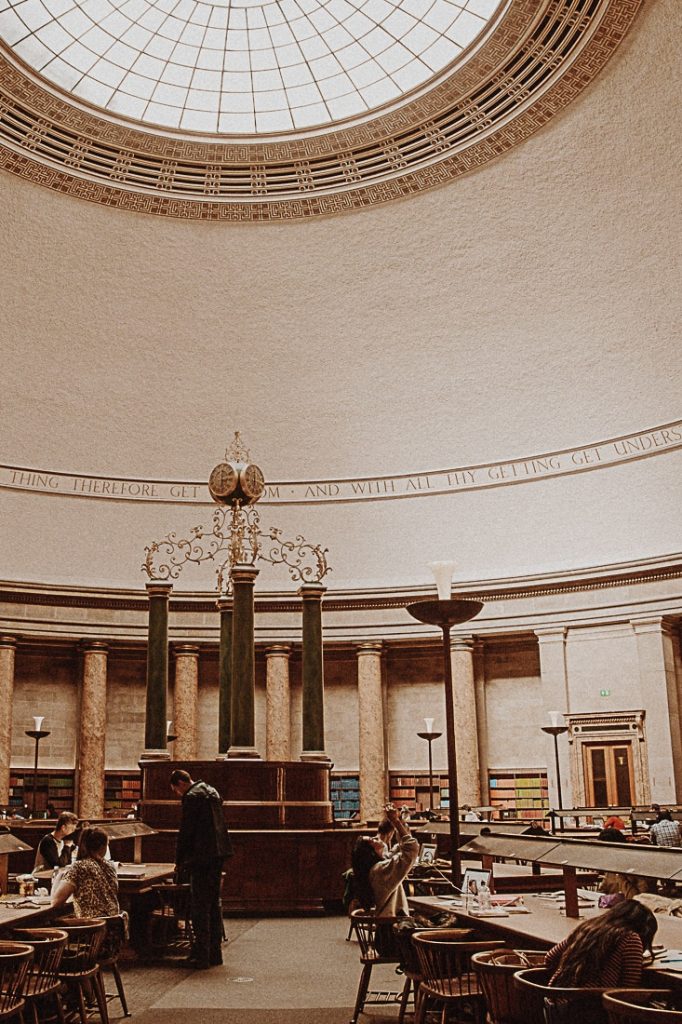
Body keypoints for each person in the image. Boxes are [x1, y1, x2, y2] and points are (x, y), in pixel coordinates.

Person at [170, 769, 232, 970]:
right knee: (213, 904)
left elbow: (186, 832)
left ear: (181, 783)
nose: (178, 794)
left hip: (200, 857)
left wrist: (179, 860)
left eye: (176, 790)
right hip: (218, 854)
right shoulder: (212, 792)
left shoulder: (192, 797)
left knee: (199, 907)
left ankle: (201, 956)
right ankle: (215, 954)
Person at [545, 899, 657, 989]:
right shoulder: (630, 938)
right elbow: (628, 989)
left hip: (556, 1005)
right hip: (590, 1009)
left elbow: (550, 957)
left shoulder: (588, 928)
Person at [350, 803, 418, 917]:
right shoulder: (380, 870)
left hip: (389, 922)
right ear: (370, 853)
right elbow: (411, 850)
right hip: (393, 926)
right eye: (372, 840)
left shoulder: (377, 867)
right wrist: (396, 822)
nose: (376, 839)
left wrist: (399, 825)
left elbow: (398, 851)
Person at [50, 826, 120, 919]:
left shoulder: (79, 866)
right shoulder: (110, 866)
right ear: (103, 847)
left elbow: (55, 902)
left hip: (92, 928)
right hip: (114, 926)